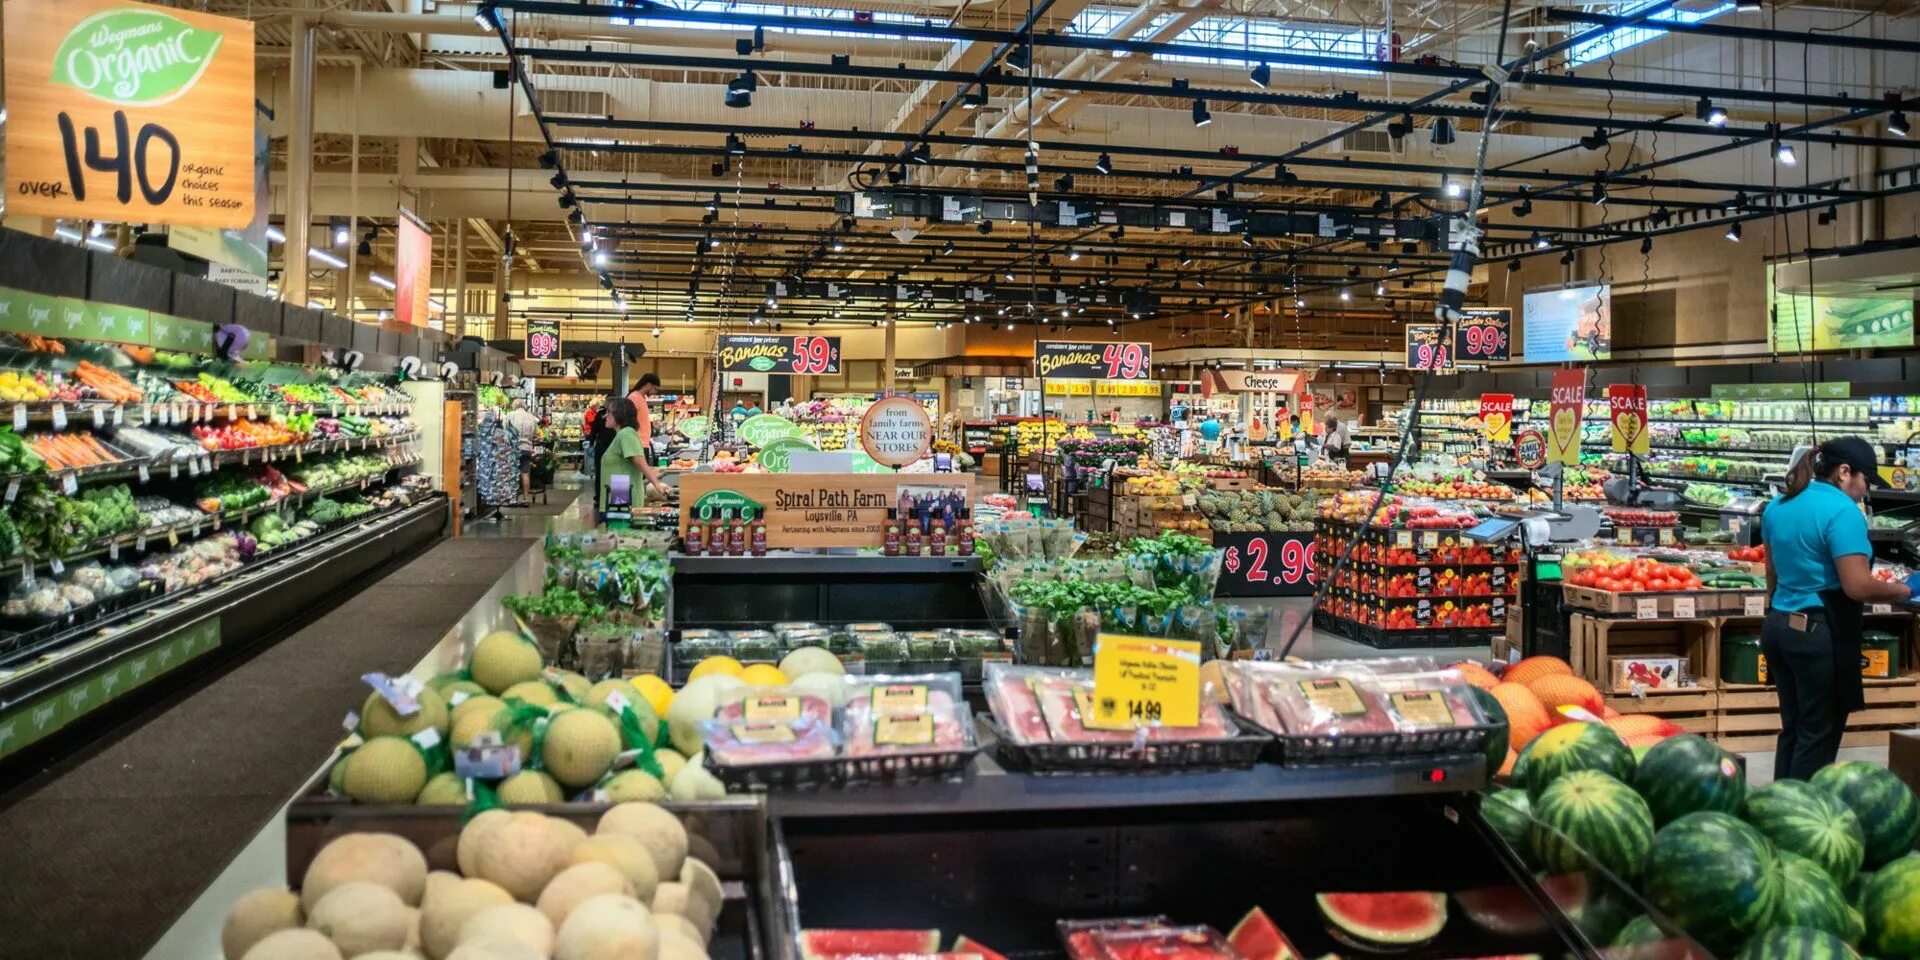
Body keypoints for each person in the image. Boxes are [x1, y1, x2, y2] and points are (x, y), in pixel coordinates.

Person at [1760, 437, 1920, 780]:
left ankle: (1777, 809)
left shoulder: (1779, 504)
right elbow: (1857, 586)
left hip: (1778, 628)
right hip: (1819, 631)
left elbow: (1771, 575)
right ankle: (1805, 819)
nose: (1866, 491)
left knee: (1795, 727)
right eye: (1866, 481)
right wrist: (1906, 589)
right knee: (1818, 734)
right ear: (1845, 472)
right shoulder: (1843, 512)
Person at [598, 397, 670, 520]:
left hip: (620, 496)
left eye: (609, 412)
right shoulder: (623, 435)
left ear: (620, 414)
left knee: (619, 535)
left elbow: (638, 460)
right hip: (618, 495)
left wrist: (656, 484)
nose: (606, 416)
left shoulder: (626, 434)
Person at [504, 398, 541, 503]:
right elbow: (535, 433)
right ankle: (526, 498)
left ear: (514, 406)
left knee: (512, 473)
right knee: (525, 473)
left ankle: (513, 498)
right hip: (527, 448)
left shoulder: (510, 416)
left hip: (513, 448)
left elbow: (505, 430)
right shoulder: (531, 417)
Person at [627, 373, 661, 456]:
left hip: (642, 444)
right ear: (649, 385)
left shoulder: (641, 398)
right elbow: (628, 422)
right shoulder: (634, 398)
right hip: (637, 445)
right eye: (655, 389)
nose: (655, 392)